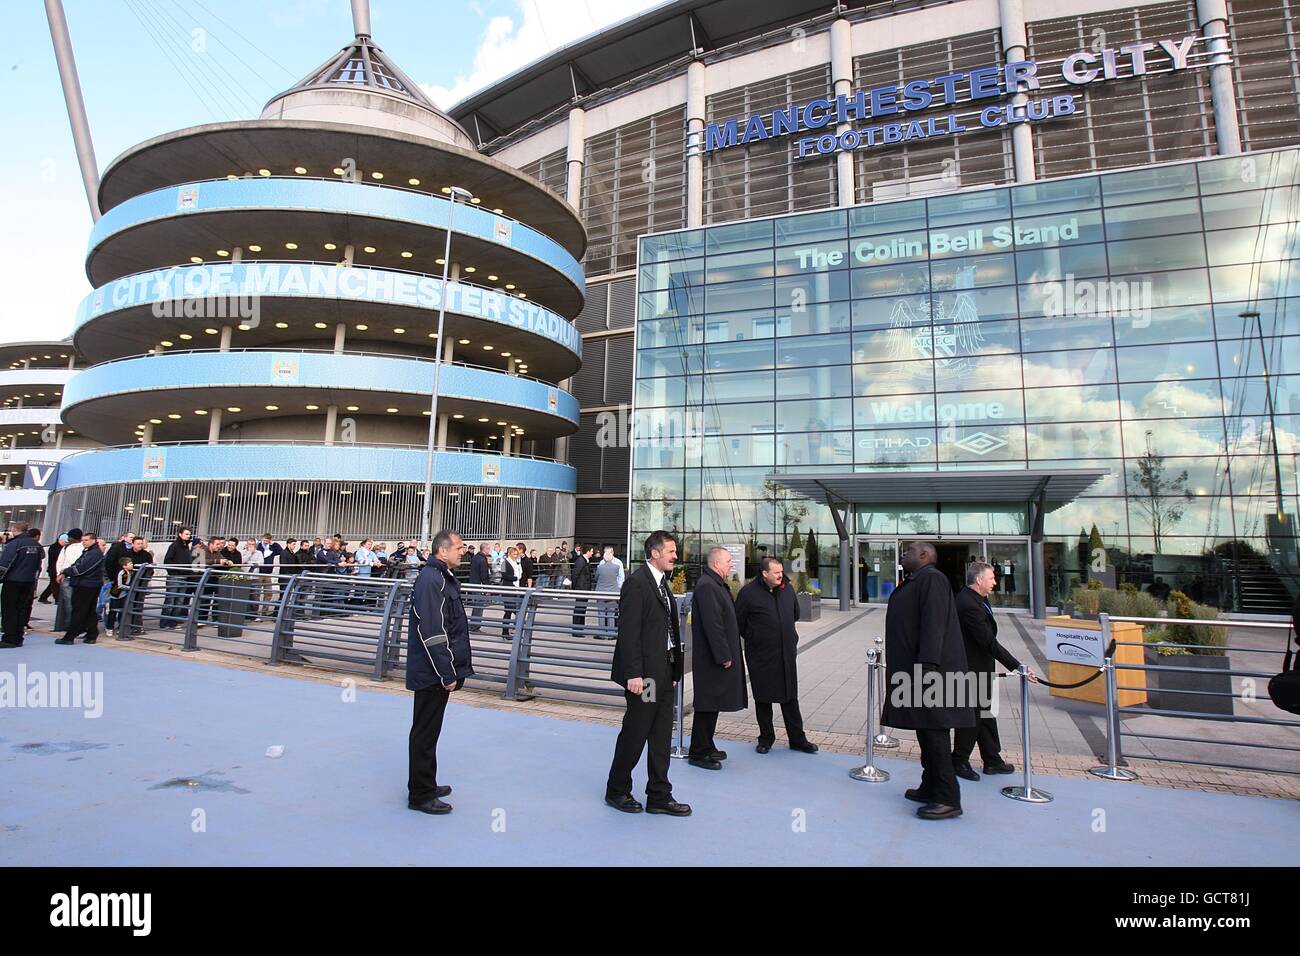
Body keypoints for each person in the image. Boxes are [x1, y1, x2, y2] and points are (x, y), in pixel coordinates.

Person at [882, 540, 975, 821]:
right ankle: (930, 785)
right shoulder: (917, 580)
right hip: (916, 670)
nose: (903, 554)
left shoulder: (932, 579)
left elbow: (934, 624)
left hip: (929, 672)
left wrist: (927, 665)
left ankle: (948, 797)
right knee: (925, 728)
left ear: (924, 555)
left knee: (935, 731)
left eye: (908, 551)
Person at [604, 530, 690, 817]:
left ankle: (659, 795)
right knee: (637, 730)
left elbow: (668, 631)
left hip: (664, 673)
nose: (675, 556)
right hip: (646, 678)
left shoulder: (662, 585)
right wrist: (634, 674)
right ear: (655, 553)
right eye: (671, 551)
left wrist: (675, 669)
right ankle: (617, 790)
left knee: (662, 734)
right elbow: (629, 634)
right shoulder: (636, 584)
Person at [407, 530, 475, 816]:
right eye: (459, 548)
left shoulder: (440, 577)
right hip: (432, 672)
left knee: (430, 730)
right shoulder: (432, 580)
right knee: (425, 731)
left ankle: (426, 783)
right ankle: (420, 795)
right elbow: (432, 631)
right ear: (442, 551)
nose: (463, 551)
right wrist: (446, 671)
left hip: (435, 670)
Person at [952, 560, 1037, 780]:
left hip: (981, 667)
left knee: (986, 715)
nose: (995, 583)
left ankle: (992, 759)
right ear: (979, 580)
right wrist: (1017, 666)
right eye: (991, 578)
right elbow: (989, 642)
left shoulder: (977, 599)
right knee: (973, 717)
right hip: (972, 670)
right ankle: (958, 761)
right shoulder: (968, 605)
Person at [736, 555, 818, 755]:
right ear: (764, 574)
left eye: (782, 571)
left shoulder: (787, 589)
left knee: (790, 697)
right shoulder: (748, 593)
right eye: (777, 572)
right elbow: (739, 622)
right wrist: (756, 637)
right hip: (761, 655)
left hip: (786, 654)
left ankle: (797, 739)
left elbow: (795, 614)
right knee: (763, 698)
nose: (781, 575)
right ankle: (766, 738)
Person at [688, 546, 747, 769]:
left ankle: (707, 745)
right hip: (711, 659)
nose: (731, 564)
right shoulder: (708, 587)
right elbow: (714, 625)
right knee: (707, 703)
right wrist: (723, 655)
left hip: (715, 657)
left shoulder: (714, 584)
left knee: (713, 704)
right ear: (716, 563)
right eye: (728, 561)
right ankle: (698, 752)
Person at [56, 532, 106, 645]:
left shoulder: (94, 553)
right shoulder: (89, 552)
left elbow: (81, 568)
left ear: (94, 540)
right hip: (88, 584)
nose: (84, 542)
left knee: (79, 610)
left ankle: (70, 636)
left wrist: (66, 572)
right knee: (88, 611)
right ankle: (91, 634)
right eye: (83, 540)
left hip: (86, 584)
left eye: (86, 540)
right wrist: (66, 572)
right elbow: (77, 564)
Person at [0, 523, 44, 648]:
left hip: (13, 580)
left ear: (14, 530)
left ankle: (9, 638)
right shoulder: (36, 545)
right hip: (29, 581)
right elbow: (39, 563)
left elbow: (5, 564)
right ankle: (18, 637)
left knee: (9, 610)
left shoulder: (14, 544)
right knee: (21, 609)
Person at [160, 528, 195, 629]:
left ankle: (172, 622)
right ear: (180, 534)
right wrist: (178, 569)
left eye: (189, 534)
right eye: (186, 534)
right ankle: (164, 622)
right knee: (170, 600)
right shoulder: (175, 546)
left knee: (179, 601)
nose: (188, 536)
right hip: (175, 576)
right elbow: (167, 561)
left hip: (184, 576)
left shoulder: (186, 547)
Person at [54, 528, 86, 633]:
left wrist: (60, 573)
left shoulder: (67, 547)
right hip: (76, 577)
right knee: (76, 603)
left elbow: (60, 562)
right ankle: (75, 625)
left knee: (69, 603)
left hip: (67, 577)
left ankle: (71, 625)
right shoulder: (83, 547)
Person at [593, 546, 624, 639]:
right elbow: (620, 577)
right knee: (611, 614)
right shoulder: (617, 566)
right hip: (613, 593)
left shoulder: (600, 566)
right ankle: (611, 634)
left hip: (601, 593)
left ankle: (602, 633)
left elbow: (596, 578)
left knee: (601, 614)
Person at [467, 543, 490, 633]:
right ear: (485, 549)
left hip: (474, 583)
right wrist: (487, 587)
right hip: (479, 585)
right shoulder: (482, 560)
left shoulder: (475, 558)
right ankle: (475, 626)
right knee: (479, 606)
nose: (489, 550)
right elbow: (484, 575)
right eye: (488, 549)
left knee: (476, 606)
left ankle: (473, 625)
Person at [570, 544, 594, 629]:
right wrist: (574, 588)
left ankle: (580, 627)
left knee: (582, 608)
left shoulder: (584, 561)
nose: (592, 553)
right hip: (581, 588)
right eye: (591, 551)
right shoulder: (581, 561)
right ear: (587, 552)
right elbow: (575, 574)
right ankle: (577, 628)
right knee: (579, 608)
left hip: (584, 589)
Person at [38, 533, 64, 604]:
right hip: (53, 569)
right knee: (55, 585)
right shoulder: (54, 547)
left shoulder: (61, 547)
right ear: (60, 540)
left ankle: (43, 597)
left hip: (56, 569)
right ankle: (57, 599)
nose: (65, 543)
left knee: (52, 585)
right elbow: (55, 557)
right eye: (64, 541)